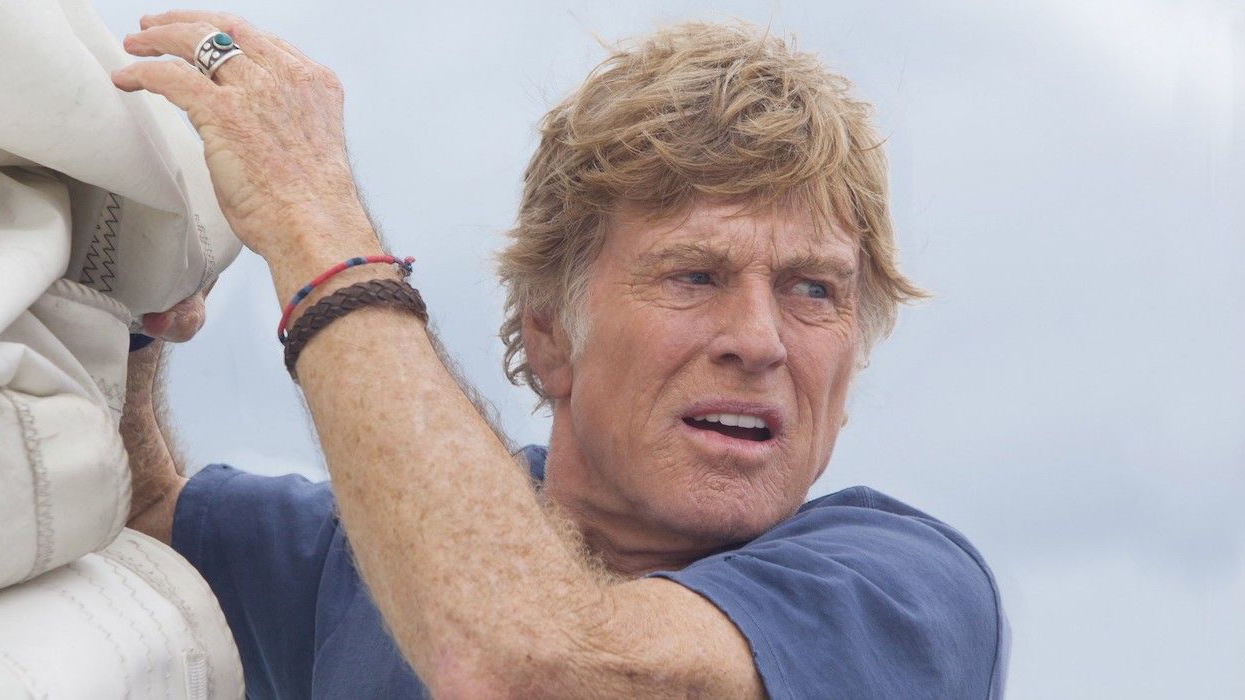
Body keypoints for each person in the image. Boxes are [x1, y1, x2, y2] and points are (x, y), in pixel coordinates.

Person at [115, 10, 1008, 699]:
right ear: (547, 333)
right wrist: (127, 309)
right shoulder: (356, 559)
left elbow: (532, 668)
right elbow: (124, 508)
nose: (761, 342)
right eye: (694, 276)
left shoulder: (904, 594)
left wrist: (311, 218)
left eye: (814, 289)